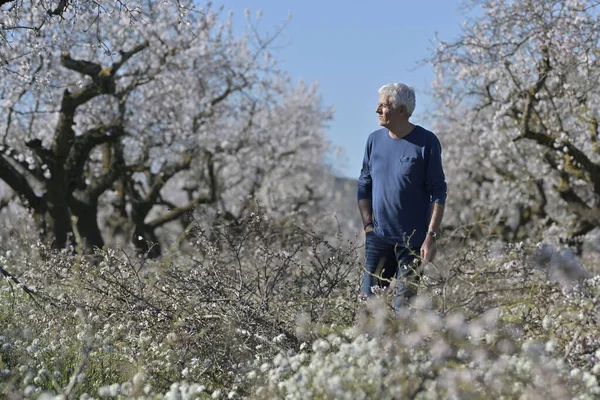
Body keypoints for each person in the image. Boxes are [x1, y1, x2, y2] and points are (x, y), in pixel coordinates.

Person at [357, 83, 447, 311]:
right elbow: (364, 183)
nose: (377, 110)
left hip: (413, 244)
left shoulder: (426, 142)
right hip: (378, 238)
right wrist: (368, 225)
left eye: (384, 105)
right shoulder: (373, 140)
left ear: (401, 110)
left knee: (404, 312)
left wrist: (431, 236)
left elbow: (438, 191)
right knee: (368, 309)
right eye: (378, 105)